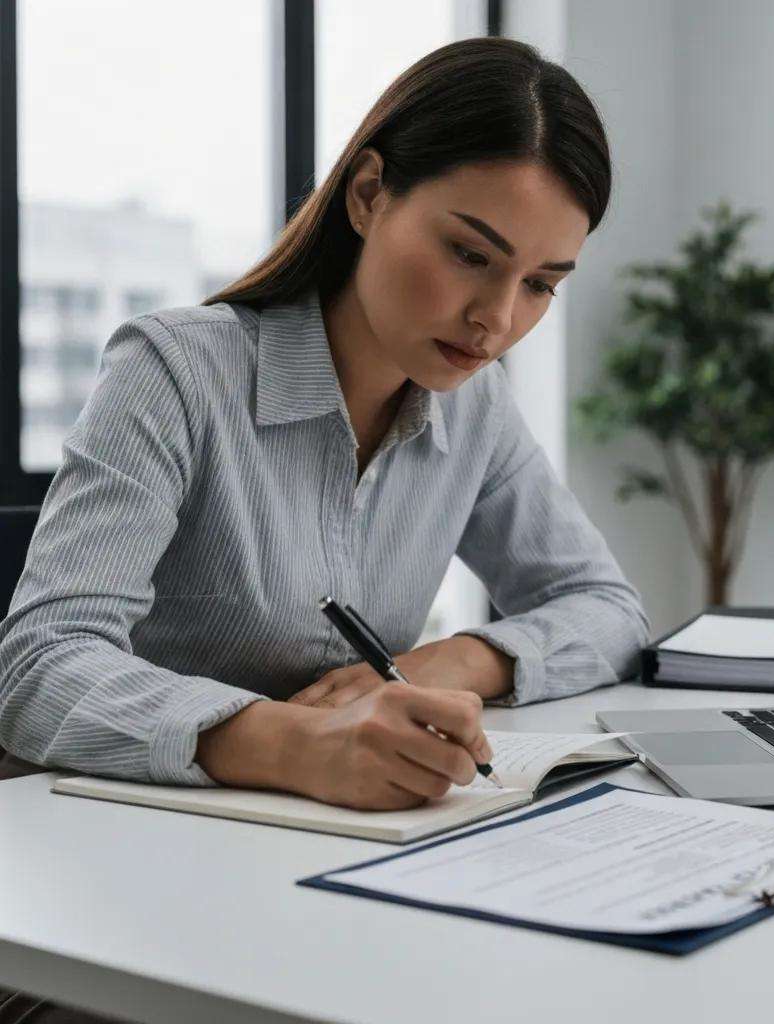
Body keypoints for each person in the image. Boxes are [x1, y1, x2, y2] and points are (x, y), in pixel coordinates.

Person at [0, 35, 650, 1023]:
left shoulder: (472, 408)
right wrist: (296, 743)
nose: (495, 319)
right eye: (469, 254)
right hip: (110, 904)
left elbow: (607, 608)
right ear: (366, 195)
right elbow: (39, 666)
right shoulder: (176, 372)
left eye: (540, 283)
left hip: (315, 873)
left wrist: (451, 662)